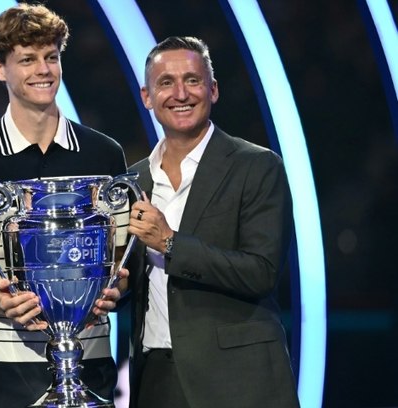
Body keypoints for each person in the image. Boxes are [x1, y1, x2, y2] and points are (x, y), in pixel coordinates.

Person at [0, 4, 128, 407]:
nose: (43, 70)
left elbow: (123, 263)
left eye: (51, 57)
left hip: (90, 364)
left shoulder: (104, 155)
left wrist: (117, 291)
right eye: (27, 59)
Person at [124, 36, 301, 407]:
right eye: (166, 83)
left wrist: (170, 242)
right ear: (146, 96)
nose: (180, 94)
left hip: (236, 380)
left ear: (213, 90)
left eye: (192, 80)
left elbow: (262, 271)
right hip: (156, 378)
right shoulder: (133, 181)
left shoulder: (257, 166)